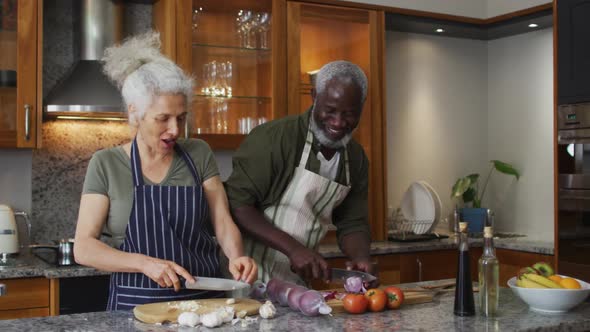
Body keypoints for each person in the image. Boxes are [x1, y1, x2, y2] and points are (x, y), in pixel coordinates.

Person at [73, 31, 257, 311]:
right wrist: (144, 264)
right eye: (163, 119)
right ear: (135, 113)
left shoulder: (198, 153)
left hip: (203, 305)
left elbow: (221, 221)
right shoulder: (106, 163)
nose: (175, 130)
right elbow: (84, 248)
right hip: (134, 307)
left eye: (181, 118)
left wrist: (236, 256)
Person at [224, 60, 376, 285]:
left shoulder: (355, 159)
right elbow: (238, 205)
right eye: (330, 110)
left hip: (295, 284)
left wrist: (361, 257)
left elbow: (352, 222)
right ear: (315, 97)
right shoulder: (273, 139)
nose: (338, 122)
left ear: (362, 107)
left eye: (349, 114)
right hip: (245, 277)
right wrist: (293, 248)